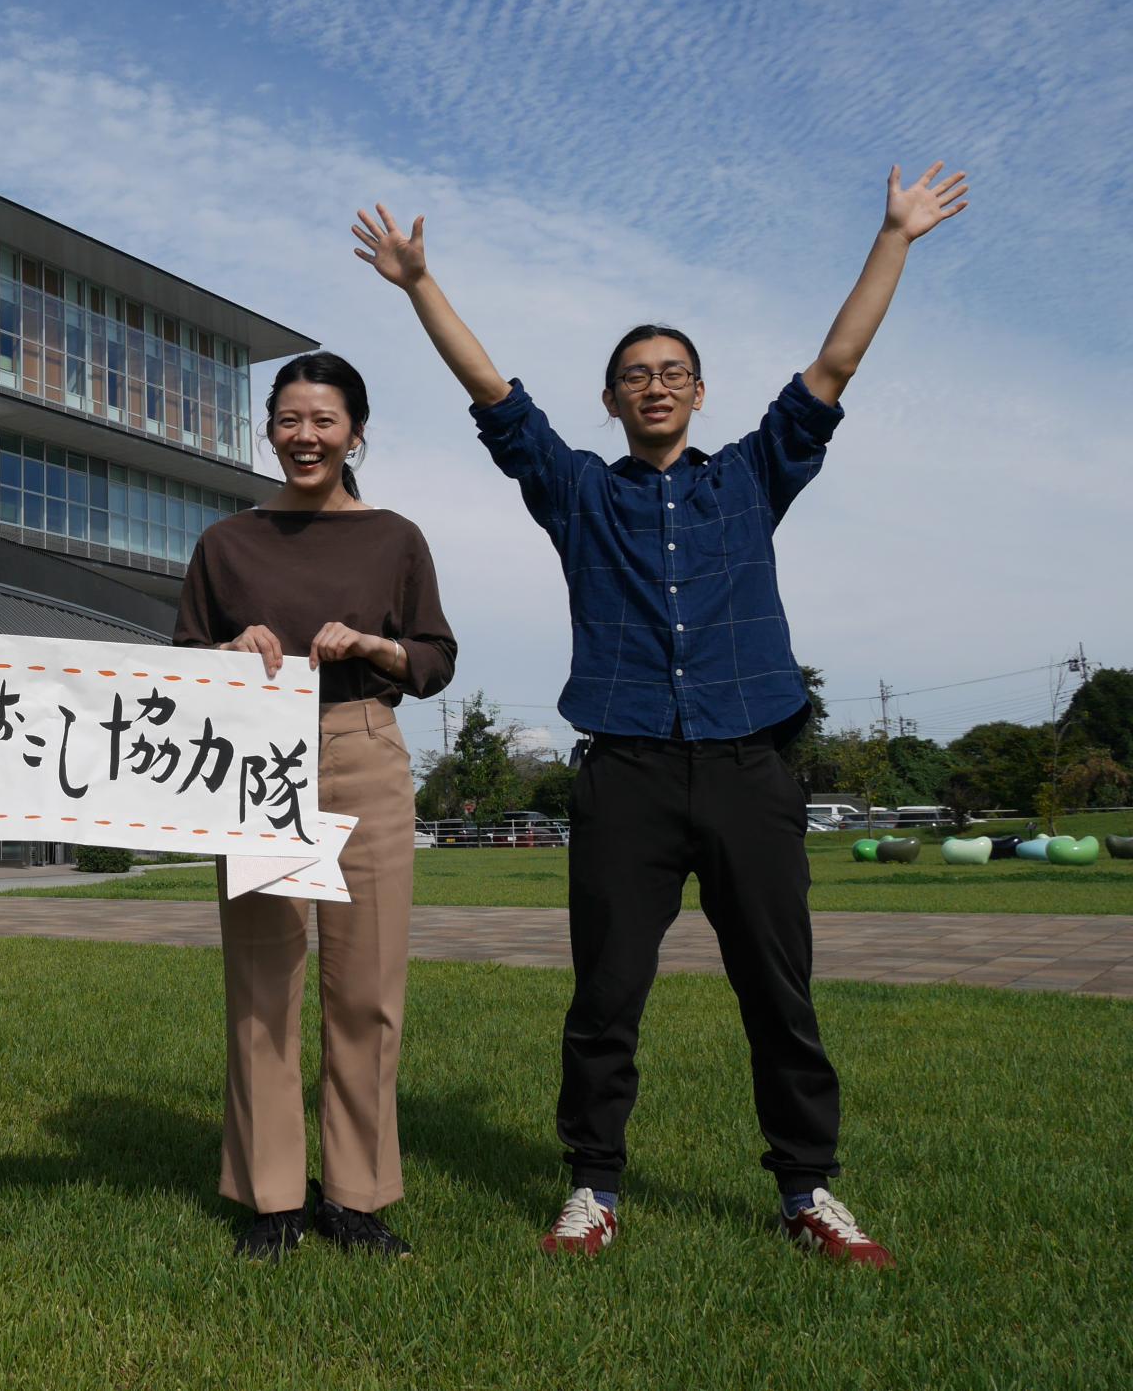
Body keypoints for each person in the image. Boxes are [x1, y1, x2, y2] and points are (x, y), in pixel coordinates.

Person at [352, 162, 970, 1267]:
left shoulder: (750, 476)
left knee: (779, 992)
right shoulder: (580, 492)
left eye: (671, 371)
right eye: (633, 374)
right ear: (611, 398)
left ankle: (808, 1190)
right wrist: (417, 284)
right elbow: (497, 397)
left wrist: (894, 237)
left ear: (697, 389)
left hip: (748, 765)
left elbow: (835, 362)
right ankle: (592, 1185)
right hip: (626, 770)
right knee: (605, 996)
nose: (653, 385)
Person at [173, 352, 457, 1261]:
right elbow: (179, 662)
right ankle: (272, 1200)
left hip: (362, 745)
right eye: (289, 420)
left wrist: (376, 644)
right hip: (255, 756)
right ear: (269, 431)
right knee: (263, 980)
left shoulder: (395, 537)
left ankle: (358, 1197)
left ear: (355, 433)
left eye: (324, 421)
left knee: (365, 982)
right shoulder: (226, 542)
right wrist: (229, 648)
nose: (306, 437)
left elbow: (436, 657)